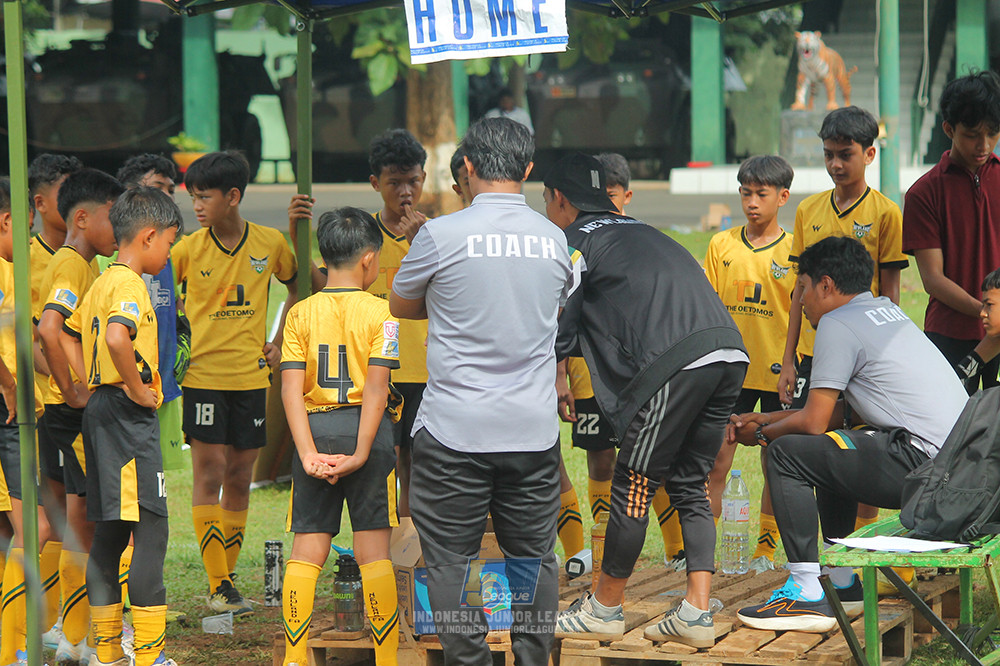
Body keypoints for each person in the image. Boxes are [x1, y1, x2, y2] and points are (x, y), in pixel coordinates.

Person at [390, 117, 571, 665]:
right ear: (528, 169)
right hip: (532, 432)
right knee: (534, 560)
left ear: (466, 167)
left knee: (451, 563)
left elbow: (401, 305)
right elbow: (556, 307)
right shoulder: (555, 239)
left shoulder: (440, 235)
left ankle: (469, 660)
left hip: (454, 431)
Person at [547, 153, 747, 648]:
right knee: (689, 483)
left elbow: (561, 324)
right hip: (729, 350)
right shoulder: (639, 228)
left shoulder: (575, 242)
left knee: (633, 484)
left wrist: (552, 373)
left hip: (678, 362)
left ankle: (604, 608)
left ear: (559, 199)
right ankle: (696, 611)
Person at [732, 236, 968, 632]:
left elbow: (812, 421)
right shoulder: (883, 311)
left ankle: (806, 592)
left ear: (825, 285)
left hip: (929, 473)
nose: (800, 301)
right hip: (956, 472)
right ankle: (842, 583)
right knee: (832, 443)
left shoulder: (837, 323)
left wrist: (761, 434)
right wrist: (768, 416)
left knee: (785, 452)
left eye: (802, 288)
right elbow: (835, 415)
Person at [171, 151, 298, 614]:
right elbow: (158, 295)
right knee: (210, 472)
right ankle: (219, 584)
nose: (197, 207)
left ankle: (226, 583)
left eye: (204, 197)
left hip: (251, 379)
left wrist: (278, 341)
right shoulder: (187, 249)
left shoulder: (270, 242)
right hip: (203, 378)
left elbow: (299, 286)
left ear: (233, 196)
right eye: (192, 197)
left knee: (241, 475)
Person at [775, 105, 909, 537]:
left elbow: (890, 296)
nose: (835, 164)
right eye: (828, 154)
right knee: (814, 444)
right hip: (815, 355)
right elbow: (798, 292)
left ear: (869, 154)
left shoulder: (886, 213)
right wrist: (789, 359)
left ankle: (859, 543)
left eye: (845, 154)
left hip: (862, 358)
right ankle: (830, 550)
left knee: (860, 447)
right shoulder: (808, 210)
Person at [62, 186, 181, 666]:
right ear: (149, 236)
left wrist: (88, 385)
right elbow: (116, 337)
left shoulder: (102, 280)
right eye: (169, 242)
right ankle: (150, 656)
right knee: (152, 529)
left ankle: (108, 651)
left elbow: (68, 334)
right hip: (127, 418)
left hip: (99, 412)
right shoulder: (130, 284)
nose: (169, 253)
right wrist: (133, 387)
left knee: (110, 532)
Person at [279, 207, 400, 666]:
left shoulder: (300, 313)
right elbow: (377, 389)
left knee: (307, 549)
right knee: (374, 553)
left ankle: (294, 658)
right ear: (369, 259)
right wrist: (362, 451)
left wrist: (308, 452)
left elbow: (290, 390)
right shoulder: (384, 313)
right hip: (366, 431)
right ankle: (386, 659)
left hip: (315, 429)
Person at [287, 130, 429, 518]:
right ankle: (386, 544)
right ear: (375, 183)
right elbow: (325, 290)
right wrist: (299, 240)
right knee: (386, 464)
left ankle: (407, 547)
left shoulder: (432, 234)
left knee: (418, 470)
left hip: (424, 371)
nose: (405, 191)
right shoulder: (360, 235)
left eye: (413, 181)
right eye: (394, 182)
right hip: (373, 374)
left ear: (424, 179)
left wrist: (423, 245)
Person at [555, 152, 687, 569]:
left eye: (612, 195)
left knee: (651, 459)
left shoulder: (637, 239)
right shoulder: (575, 243)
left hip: (637, 374)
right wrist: (561, 373)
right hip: (587, 374)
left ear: (626, 196)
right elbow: (566, 312)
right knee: (599, 456)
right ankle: (596, 543)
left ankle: (676, 548)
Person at [35, 168, 124, 665]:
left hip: (67, 415)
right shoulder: (71, 265)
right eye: (114, 216)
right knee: (102, 523)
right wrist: (73, 391)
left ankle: (74, 638)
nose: (119, 227)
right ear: (84, 218)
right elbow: (49, 330)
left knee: (80, 523)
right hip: (74, 417)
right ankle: (89, 635)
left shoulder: (82, 264)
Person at [704, 155, 795, 573]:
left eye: (761, 194)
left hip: (778, 373)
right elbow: (707, 309)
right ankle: (703, 549)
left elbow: (799, 313)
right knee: (716, 459)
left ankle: (765, 550)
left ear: (783, 197)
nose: (752, 202)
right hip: (731, 372)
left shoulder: (794, 250)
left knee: (775, 462)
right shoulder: (721, 245)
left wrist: (791, 363)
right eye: (746, 193)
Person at [903, 72, 1000, 392]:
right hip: (949, 335)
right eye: (972, 135)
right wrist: (988, 312)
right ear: (948, 129)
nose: (984, 145)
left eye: (992, 133)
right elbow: (933, 279)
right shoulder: (923, 193)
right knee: (951, 421)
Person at [27, 153, 82, 646]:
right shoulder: (27, 259)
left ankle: (62, 622)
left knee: (71, 515)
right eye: (66, 194)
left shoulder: (84, 256)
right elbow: (34, 336)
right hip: (48, 405)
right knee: (57, 516)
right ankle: (49, 625)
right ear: (41, 204)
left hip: (68, 403)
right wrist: (69, 384)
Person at [0, 175, 54, 666]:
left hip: (17, 407)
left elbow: (28, 341)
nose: (30, 236)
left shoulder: (13, 273)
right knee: (33, 527)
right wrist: (9, 385)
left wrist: (65, 377)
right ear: (8, 220)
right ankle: (12, 646)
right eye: (27, 226)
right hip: (8, 411)